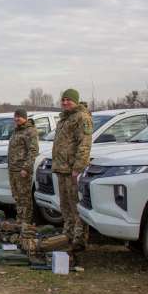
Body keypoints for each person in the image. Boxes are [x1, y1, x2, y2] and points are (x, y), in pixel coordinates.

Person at [52, 89, 93, 252]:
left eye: (68, 100)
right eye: (63, 100)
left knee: (76, 205)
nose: (65, 102)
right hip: (62, 168)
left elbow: (84, 145)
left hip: (72, 170)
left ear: (76, 101)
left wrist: (78, 168)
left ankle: (79, 240)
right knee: (65, 205)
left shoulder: (82, 117)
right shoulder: (65, 118)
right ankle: (68, 234)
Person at [8, 109, 39, 224]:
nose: (17, 119)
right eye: (15, 116)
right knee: (17, 196)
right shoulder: (16, 131)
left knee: (24, 197)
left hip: (22, 170)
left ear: (25, 118)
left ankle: (26, 222)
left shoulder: (30, 131)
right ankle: (20, 219)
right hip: (13, 169)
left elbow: (33, 151)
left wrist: (26, 168)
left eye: (19, 117)